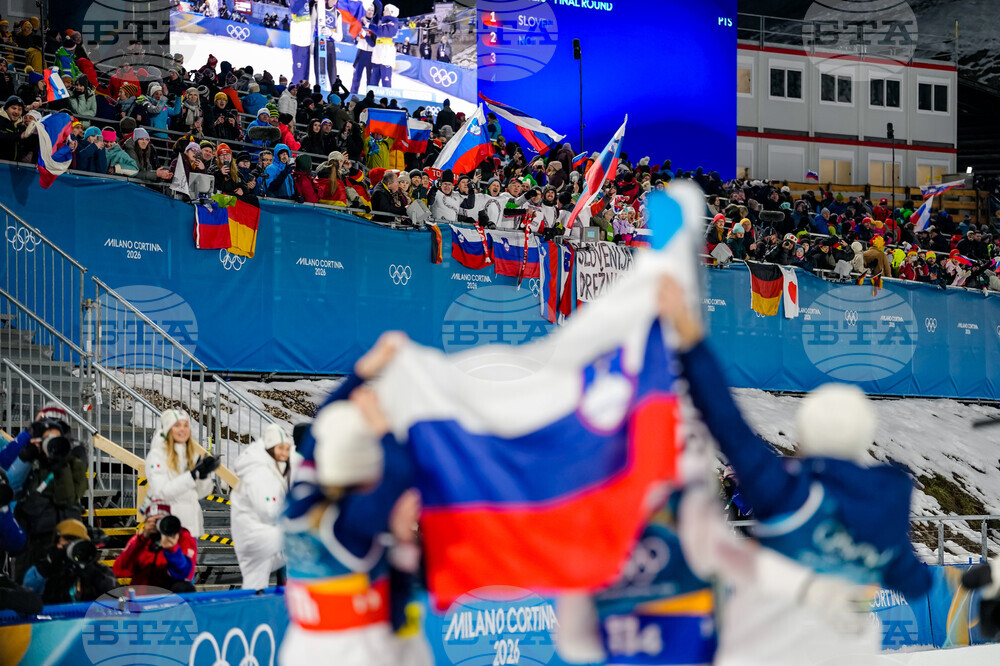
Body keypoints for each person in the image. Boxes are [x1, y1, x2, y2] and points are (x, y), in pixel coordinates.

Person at [656, 276, 933, 665]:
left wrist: (688, 337)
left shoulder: (787, 492)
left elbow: (727, 423)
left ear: (806, 435)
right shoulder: (885, 510)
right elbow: (917, 583)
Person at [280, 333, 427, 666]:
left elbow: (322, 429)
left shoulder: (300, 500)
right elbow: (401, 469)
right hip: (359, 652)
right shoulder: (354, 521)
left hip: (304, 647)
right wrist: (379, 423)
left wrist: (362, 371)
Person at [14, 418, 87, 580]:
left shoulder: (71, 464)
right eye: (48, 440)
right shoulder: (31, 463)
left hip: (66, 538)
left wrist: (61, 466)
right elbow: (12, 487)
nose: (52, 444)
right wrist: (25, 458)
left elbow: (68, 498)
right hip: (33, 543)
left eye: (57, 439)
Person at [231, 424, 295, 590]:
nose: (285, 453)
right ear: (270, 447)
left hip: (259, 533)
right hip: (256, 534)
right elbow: (267, 509)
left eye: (287, 449)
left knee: (256, 583)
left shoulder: (270, 467)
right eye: (281, 448)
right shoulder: (259, 471)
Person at [144, 409, 219, 540]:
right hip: (167, 526)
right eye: (177, 425)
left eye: (186, 425)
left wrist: (204, 476)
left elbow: (200, 493)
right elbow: (161, 491)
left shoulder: (190, 455)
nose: (182, 430)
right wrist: (191, 476)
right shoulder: (157, 456)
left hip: (191, 527)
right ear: (168, 429)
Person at [22, 519, 115, 604]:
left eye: (75, 541)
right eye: (66, 540)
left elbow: (112, 594)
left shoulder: (99, 570)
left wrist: (92, 572)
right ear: (56, 542)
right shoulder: (45, 568)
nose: (70, 546)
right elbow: (28, 591)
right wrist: (48, 566)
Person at [113, 501, 198, 592]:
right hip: (141, 598)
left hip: (169, 598)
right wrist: (142, 541)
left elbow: (185, 574)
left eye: (161, 521)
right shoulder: (140, 540)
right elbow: (119, 570)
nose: (158, 526)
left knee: (184, 588)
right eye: (153, 521)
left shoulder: (182, 537)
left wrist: (172, 550)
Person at [0, 94, 26, 161]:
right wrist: (20, 136)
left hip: (16, 168)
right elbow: (3, 136)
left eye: (19, 109)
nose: (16, 112)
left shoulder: (21, 126)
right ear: (6, 109)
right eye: (13, 108)